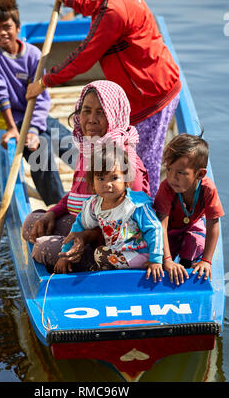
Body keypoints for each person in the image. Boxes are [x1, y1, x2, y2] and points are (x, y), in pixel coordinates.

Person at [26, 0, 181, 198]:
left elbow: (83, 58)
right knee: (122, 159)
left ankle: (145, 223)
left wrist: (45, 81)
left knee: (140, 166)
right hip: (147, 82)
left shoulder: (114, 13)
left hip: (152, 95)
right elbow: (93, 4)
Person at [22, 79, 150, 272]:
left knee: (44, 248)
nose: (91, 119)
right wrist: (53, 213)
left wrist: (84, 237)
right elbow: (75, 195)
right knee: (33, 223)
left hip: (110, 245)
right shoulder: (89, 149)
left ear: (114, 115)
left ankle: (92, 267)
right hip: (81, 225)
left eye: (101, 112)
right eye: (86, 111)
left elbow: (131, 223)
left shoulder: (125, 161)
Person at [0, 0, 77, 206]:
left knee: (68, 143)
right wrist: (15, 130)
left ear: (18, 27)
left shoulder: (32, 54)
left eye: (7, 26)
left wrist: (33, 129)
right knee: (41, 151)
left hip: (36, 114)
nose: (2, 33)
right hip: (14, 118)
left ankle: (95, 186)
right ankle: (57, 206)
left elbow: (41, 98)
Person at [57, 144, 164, 282]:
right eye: (101, 179)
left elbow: (154, 229)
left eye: (114, 178)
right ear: (92, 182)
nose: (107, 184)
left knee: (101, 254)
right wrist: (65, 255)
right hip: (115, 254)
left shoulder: (135, 205)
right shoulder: (93, 205)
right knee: (101, 255)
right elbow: (77, 230)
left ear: (126, 180)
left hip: (140, 256)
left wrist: (156, 260)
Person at [153, 133, 224, 284]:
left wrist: (206, 261)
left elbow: (213, 224)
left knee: (197, 239)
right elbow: (161, 227)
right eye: (169, 169)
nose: (172, 177)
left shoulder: (207, 189)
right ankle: (173, 266)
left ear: (200, 174)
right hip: (169, 229)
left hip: (192, 224)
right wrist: (167, 260)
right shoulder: (166, 187)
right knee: (160, 257)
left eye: (181, 173)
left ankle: (186, 265)